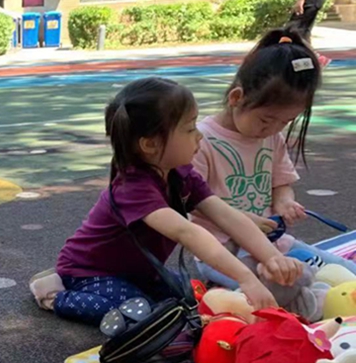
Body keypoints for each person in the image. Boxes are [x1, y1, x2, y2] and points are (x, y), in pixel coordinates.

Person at [31, 77, 303, 326]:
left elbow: (226, 215)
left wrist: (272, 258)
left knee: (187, 300)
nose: (199, 135)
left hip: (141, 272)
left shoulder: (180, 173)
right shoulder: (133, 188)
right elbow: (188, 232)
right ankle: (55, 295)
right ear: (150, 144)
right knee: (140, 314)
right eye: (189, 128)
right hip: (88, 272)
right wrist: (246, 277)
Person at [192, 29, 356, 284]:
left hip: (272, 244)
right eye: (266, 119)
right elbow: (195, 202)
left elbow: (281, 183)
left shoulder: (271, 137)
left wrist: (284, 202)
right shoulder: (201, 140)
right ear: (236, 98)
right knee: (282, 290)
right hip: (221, 251)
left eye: (286, 122)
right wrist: (245, 222)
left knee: (345, 272)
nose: (273, 129)